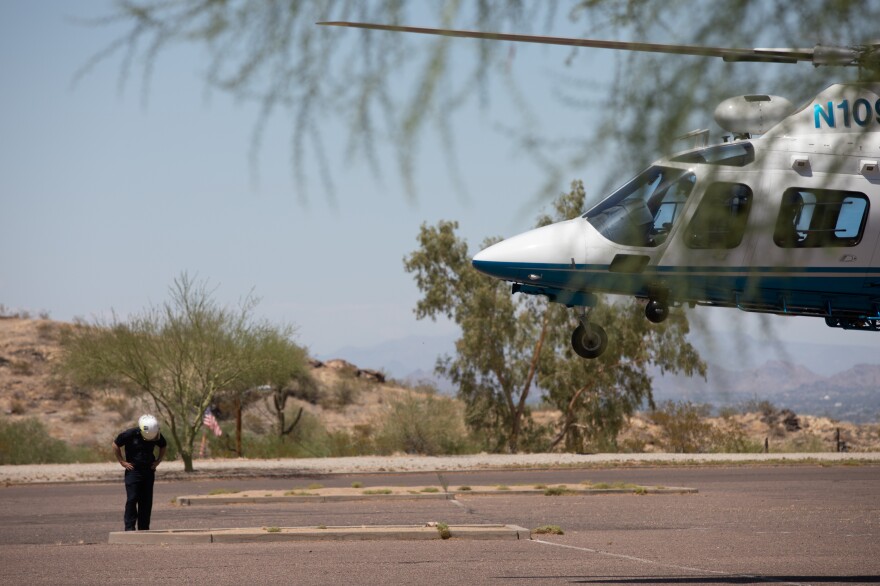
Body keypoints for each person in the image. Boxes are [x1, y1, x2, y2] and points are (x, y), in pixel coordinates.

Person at [112, 414, 167, 531]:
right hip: (133, 470)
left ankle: (144, 528)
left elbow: (163, 445)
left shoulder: (155, 432)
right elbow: (115, 444)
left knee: (146, 501)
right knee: (132, 498)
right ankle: (129, 528)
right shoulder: (130, 434)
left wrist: (158, 461)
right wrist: (122, 461)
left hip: (149, 470)